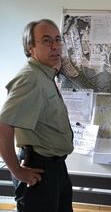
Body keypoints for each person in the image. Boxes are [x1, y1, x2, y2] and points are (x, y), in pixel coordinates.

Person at [0, 19, 74, 212]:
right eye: (47, 41)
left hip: (55, 168)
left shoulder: (44, 74)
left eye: (58, 39)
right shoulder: (30, 78)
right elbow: (3, 126)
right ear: (30, 47)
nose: (56, 46)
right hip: (40, 170)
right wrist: (17, 171)